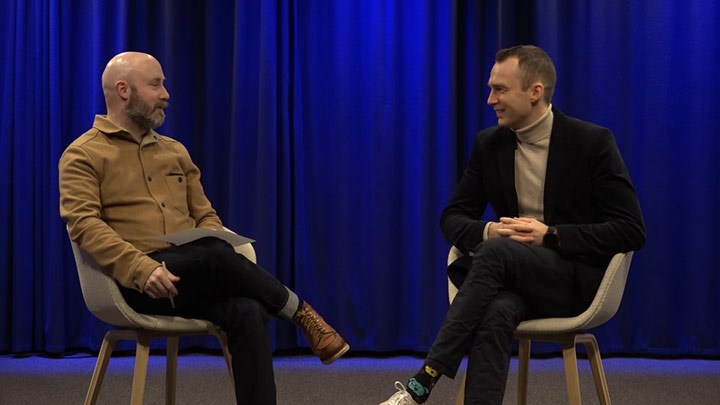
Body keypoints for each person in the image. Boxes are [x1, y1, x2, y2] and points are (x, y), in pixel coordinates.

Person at [59, 51, 349, 405]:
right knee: (214, 254)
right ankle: (300, 311)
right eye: (155, 85)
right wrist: (142, 267)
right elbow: (85, 225)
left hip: (194, 275)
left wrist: (214, 236)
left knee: (247, 307)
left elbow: (206, 217)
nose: (166, 93)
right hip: (138, 283)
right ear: (123, 90)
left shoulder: (175, 151)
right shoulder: (83, 155)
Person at [379, 45, 645, 404]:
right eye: (491, 89)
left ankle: (423, 381)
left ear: (535, 92)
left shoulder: (592, 142)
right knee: (496, 308)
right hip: (507, 278)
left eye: (500, 89)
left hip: (571, 282)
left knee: (495, 255)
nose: (491, 99)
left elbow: (630, 229)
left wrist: (550, 235)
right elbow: (451, 217)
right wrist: (489, 230)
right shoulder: (490, 145)